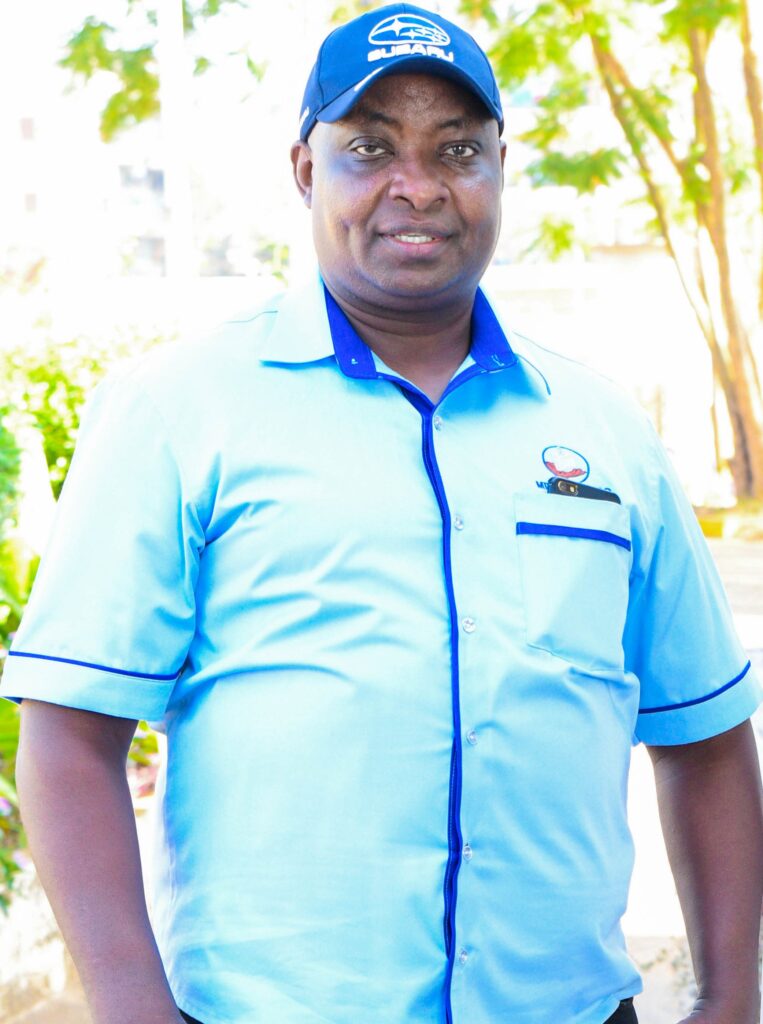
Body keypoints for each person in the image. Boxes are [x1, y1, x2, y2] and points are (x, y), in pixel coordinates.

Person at [3, 4, 762, 1023]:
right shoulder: (179, 411)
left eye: (456, 149)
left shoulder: (605, 428)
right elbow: (68, 734)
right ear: (305, 169)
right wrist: (133, 1008)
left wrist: (730, 999)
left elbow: (704, 734)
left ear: (499, 167)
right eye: (369, 148)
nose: (418, 186)